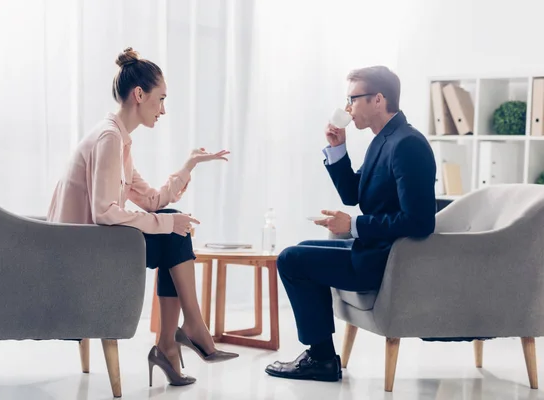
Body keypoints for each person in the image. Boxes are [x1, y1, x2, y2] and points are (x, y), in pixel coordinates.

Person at [47, 47, 238, 387]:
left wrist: (188, 165)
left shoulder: (119, 138)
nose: (163, 109)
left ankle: (175, 340)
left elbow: (151, 201)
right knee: (172, 227)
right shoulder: (109, 138)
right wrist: (168, 223)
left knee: (172, 225)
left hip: (90, 244)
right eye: (160, 99)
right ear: (139, 94)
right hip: (79, 254)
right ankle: (185, 333)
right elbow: (104, 213)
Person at [265, 66, 436, 382]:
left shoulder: (407, 144)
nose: (347, 108)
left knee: (291, 259)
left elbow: (420, 221)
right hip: (372, 249)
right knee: (300, 251)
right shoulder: (384, 139)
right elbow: (352, 194)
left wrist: (355, 225)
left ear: (378, 100)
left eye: (352, 99)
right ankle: (322, 356)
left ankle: (321, 358)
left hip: (386, 259)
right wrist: (338, 148)